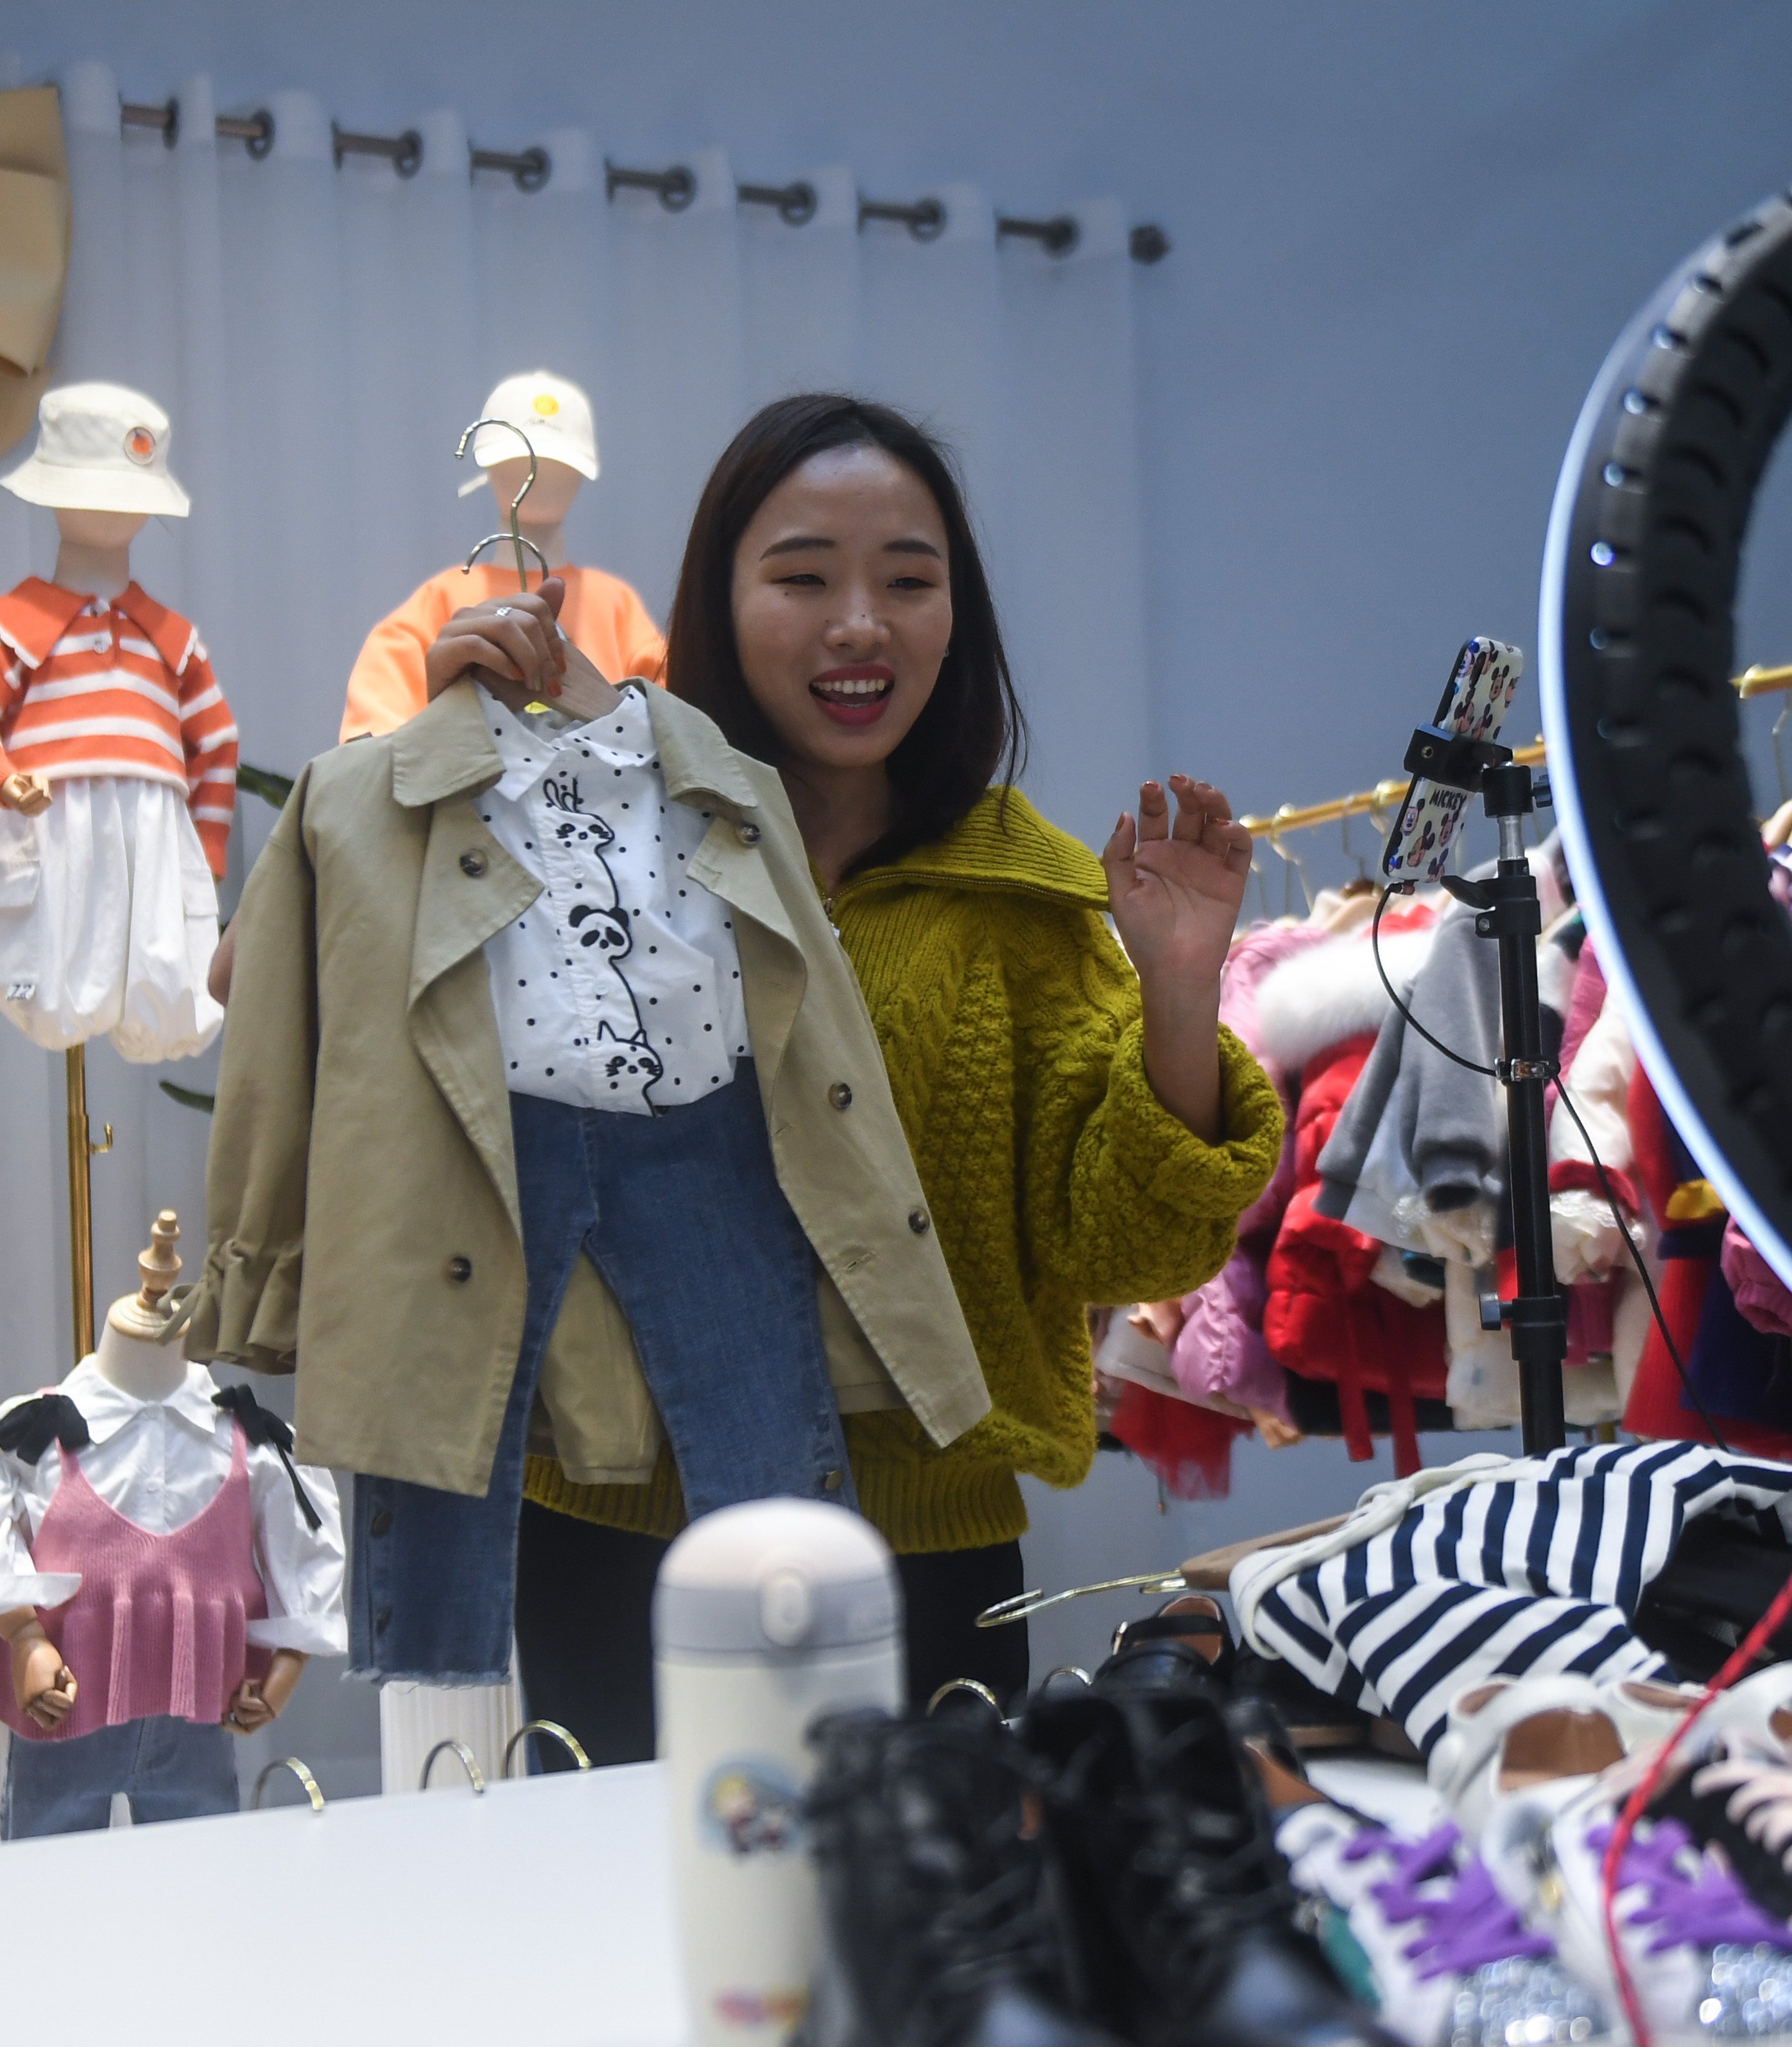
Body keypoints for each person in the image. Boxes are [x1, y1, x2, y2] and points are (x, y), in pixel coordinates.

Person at [432, 392, 1282, 1738]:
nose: (858, 624)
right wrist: (457, 774)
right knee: (628, 1930)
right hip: (618, 1528)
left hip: (917, 1552)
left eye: (907, 579)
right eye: (801, 575)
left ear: (959, 614)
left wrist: (1178, 991)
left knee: (919, 1936)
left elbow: (1126, 1247)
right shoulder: (595, 831)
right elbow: (339, 1019)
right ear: (718, 599)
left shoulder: (1021, 902)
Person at [336, 370, 666, 743]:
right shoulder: (434, 607)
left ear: (580, 475)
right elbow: (372, 753)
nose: (537, 477)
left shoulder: (615, 605)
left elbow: (674, 738)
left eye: (558, 466)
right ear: (489, 469)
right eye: (517, 465)